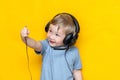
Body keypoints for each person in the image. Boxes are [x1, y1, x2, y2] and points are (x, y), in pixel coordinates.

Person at [20, 13, 82, 80]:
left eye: (57, 35)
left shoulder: (74, 51)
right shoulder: (46, 46)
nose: (51, 36)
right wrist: (24, 37)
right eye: (50, 31)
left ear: (68, 38)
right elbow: (35, 44)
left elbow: (76, 71)